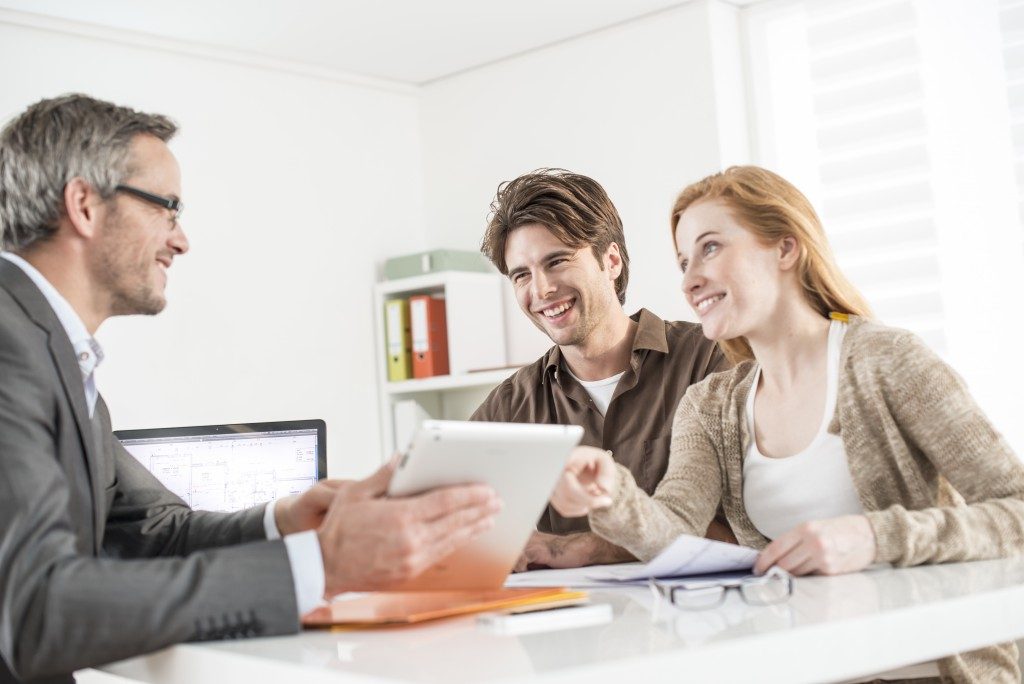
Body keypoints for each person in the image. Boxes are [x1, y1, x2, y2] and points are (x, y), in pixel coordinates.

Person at [0, 94, 501, 684]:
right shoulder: (10, 347)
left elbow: (155, 533)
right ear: (84, 204)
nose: (180, 239)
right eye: (168, 207)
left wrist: (290, 520)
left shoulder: (53, 354)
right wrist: (325, 564)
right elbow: (36, 610)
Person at [549, 165, 1024, 681]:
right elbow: (674, 535)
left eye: (710, 248)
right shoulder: (710, 406)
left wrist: (872, 537)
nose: (688, 281)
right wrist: (609, 497)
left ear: (785, 248)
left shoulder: (885, 360)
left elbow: (1016, 513)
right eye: (683, 261)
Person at [472, 168, 731, 570]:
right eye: (521, 275)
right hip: (564, 627)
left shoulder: (711, 362)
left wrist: (588, 548)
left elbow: (746, 530)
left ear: (611, 261)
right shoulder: (508, 409)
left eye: (556, 261)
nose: (541, 290)